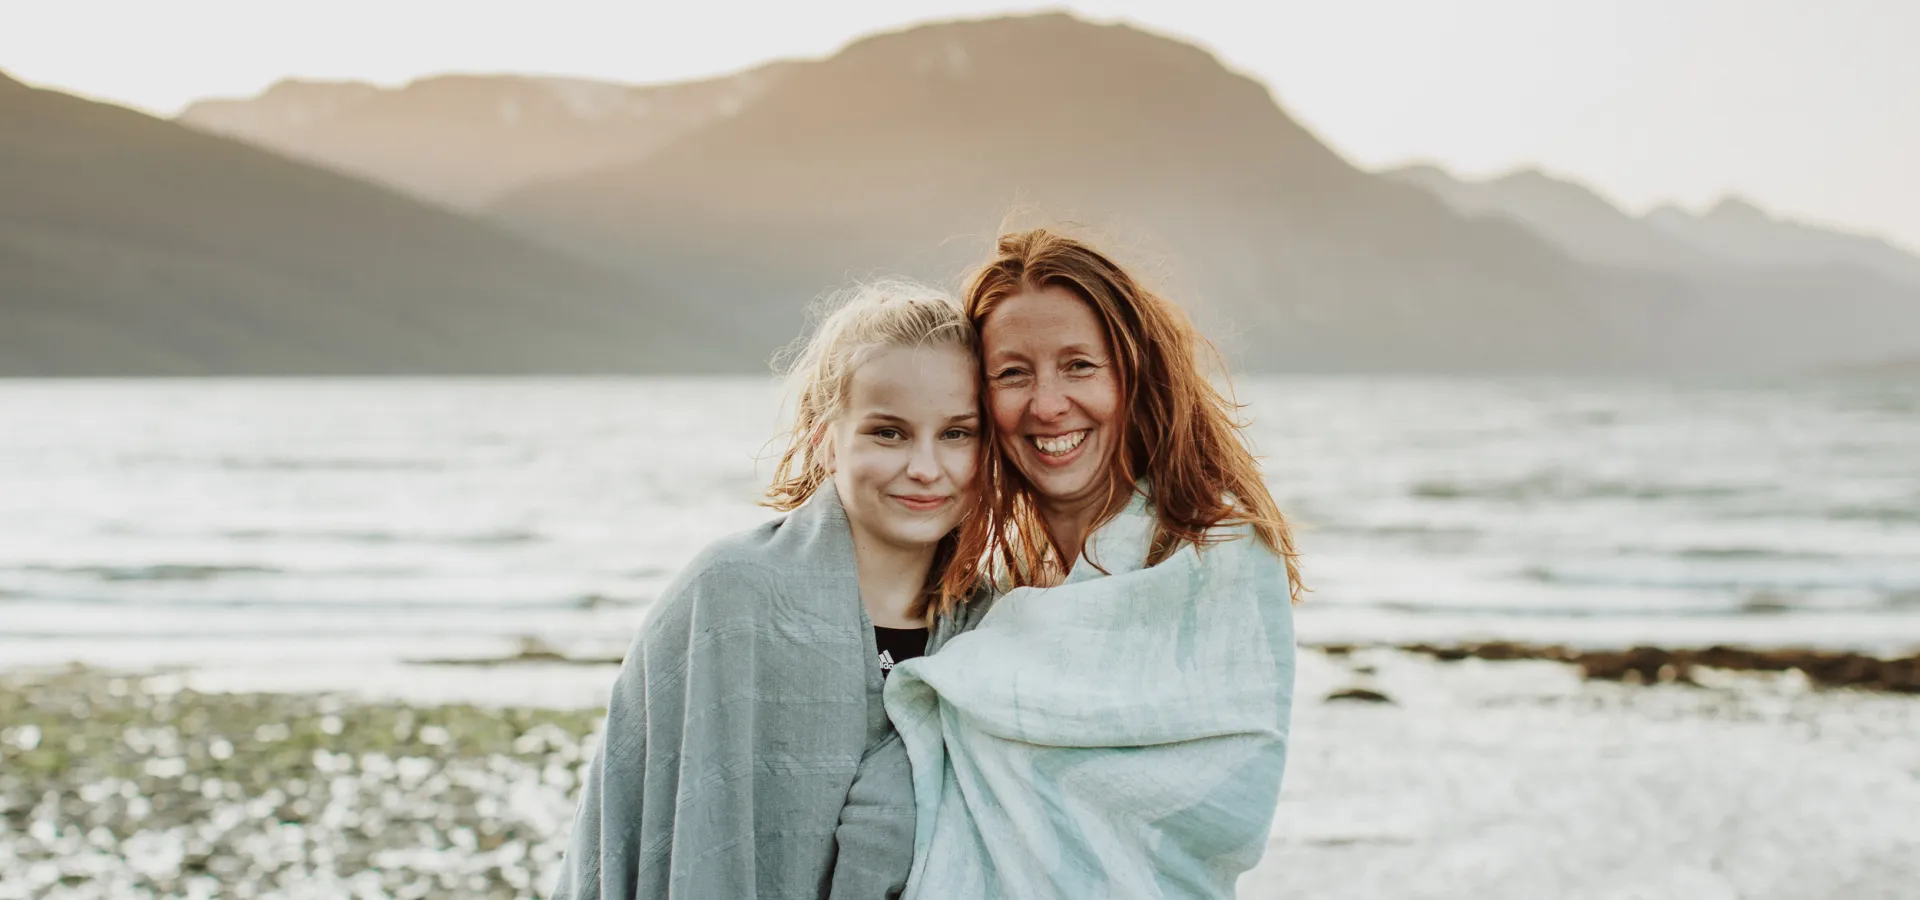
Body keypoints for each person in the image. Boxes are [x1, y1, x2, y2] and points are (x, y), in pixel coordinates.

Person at [885, 229, 1305, 899]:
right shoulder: (988, 588)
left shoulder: (1213, 555)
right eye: (1013, 373)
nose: (1048, 404)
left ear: (1132, 376)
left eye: (1079, 365)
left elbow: (1227, 802)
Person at [552, 282, 982, 900]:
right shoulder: (729, 595)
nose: (924, 466)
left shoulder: (990, 626)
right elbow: (635, 821)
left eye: (957, 433)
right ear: (826, 441)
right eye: (888, 432)